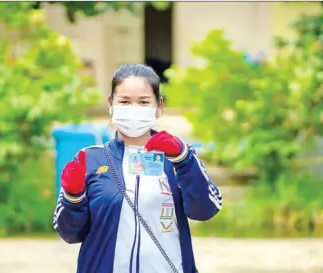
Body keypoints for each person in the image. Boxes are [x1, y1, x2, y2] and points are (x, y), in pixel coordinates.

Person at [53, 64, 223, 273]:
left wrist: (183, 159)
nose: (134, 108)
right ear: (110, 104)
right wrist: (73, 196)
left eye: (143, 102)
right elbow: (69, 233)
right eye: (125, 101)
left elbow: (205, 210)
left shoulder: (178, 157)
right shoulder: (89, 159)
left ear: (159, 106)